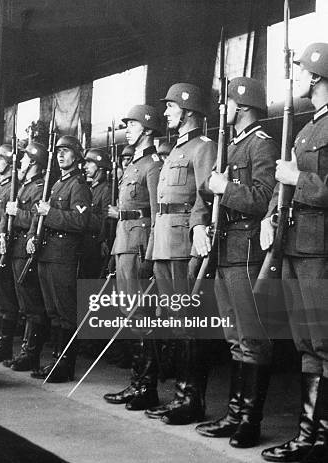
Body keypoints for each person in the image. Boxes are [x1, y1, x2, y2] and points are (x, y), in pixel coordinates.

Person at [194, 77, 278, 448]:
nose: (222, 109)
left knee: (253, 337)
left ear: (240, 107)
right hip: (225, 250)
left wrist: (224, 189)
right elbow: (207, 192)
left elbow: (263, 198)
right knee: (234, 338)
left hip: (246, 252)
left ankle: (250, 420)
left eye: (227, 103)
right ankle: (234, 413)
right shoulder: (231, 147)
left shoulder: (261, 145)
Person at [260, 42, 328, 463]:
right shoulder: (307, 128)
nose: (296, 77)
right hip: (295, 246)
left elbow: (305, 181)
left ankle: (316, 439)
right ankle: (310, 434)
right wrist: (270, 215)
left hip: (319, 249)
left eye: (301, 70)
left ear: (319, 76)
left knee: (322, 341)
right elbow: (283, 182)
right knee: (306, 341)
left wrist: (297, 176)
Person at [144, 83, 217, 425]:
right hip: (164, 241)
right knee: (172, 321)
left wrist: (198, 230)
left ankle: (191, 400)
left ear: (188, 110)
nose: (166, 113)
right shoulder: (175, 150)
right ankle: (179, 395)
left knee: (187, 322)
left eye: (171, 107)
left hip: (182, 242)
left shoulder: (203, 147)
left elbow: (205, 195)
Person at [103, 104, 163, 411]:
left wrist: (152, 253)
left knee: (142, 316)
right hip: (125, 243)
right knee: (130, 315)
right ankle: (137, 383)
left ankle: (146, 387)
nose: (128, 128)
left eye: (133, 124)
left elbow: (157, 213)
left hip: (139, 245)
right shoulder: (135, 163)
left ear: (148, 129)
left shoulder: (153, 164)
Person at [27, 135, 92, 383]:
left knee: (65, 312)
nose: (61, 155)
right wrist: (33, 235)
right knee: (53, 311)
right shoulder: (55, 185)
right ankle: (56, 360)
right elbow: (39, 217)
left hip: (64, 255)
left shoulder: (78, 186)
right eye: (59, 151)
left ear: (76, 156)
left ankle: (65, 365)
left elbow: (80, 221)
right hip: (47, 253)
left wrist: (50, 212)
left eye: (66, 151)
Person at [0, 141, 49, 372]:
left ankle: (30, 354)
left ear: (34, 164)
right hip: (14, 246)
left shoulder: (39, 187)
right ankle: (22, 351)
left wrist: (16, 213)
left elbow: (36, 219)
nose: (20, 163)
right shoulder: (23, 186)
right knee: (20, 301)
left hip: (24, 249)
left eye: (25, 159)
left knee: (31, 303)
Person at [0, 143, 21, 363]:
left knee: (7, 296)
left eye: (1, 159)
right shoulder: (0, 183)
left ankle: (4, 344)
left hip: (8, 243)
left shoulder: (14, 184)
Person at [79, 147, 111, 279]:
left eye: (89, 162)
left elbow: (106, 218)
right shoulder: (90, 188)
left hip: (96, 246)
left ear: (100, 166)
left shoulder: (106, 189)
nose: (85, 166)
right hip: (85, 245)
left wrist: (103, 240)